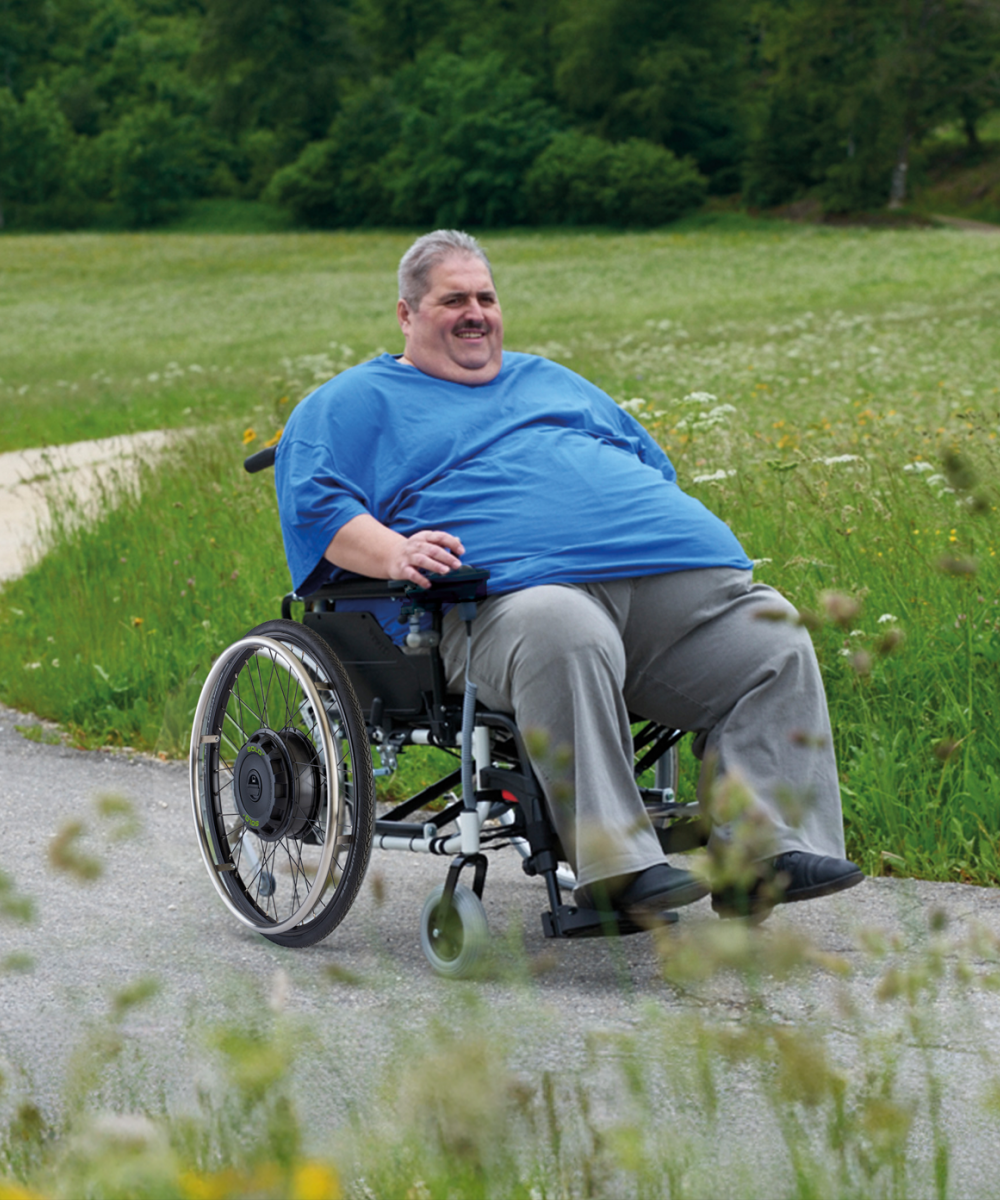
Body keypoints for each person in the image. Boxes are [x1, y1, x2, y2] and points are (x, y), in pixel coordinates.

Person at [275, 229, 864, 920]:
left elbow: (648, 469)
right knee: (565, 626)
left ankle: (761, 854)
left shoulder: (550, 380)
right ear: (407, 314)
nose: (476, 312)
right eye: (453, 299)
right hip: (495, 604)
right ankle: (616, 869)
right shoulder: (355, 401)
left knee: (772, 636)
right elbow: (316, 501)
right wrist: (393, 552)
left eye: (486, 297)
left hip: (654, 586)